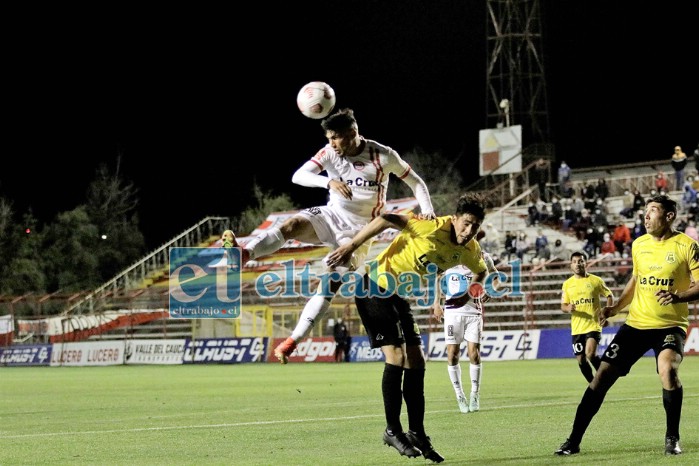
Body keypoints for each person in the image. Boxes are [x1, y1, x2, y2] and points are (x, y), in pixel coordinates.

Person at [230, 108, 436, 363]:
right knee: (291, 224)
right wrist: (328, 183)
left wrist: (427, 211)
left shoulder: (382, 155)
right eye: (329, 138)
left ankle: (292, 341)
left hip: (360, 230)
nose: (331, 144)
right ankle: (245, 253)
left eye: (335, 138)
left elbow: (417, 182)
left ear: (352, 133)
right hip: (331, 215)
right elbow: (299, 176)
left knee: (331, 281)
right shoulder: (329, 153)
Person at [325, 193, 492, 463]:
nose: (469, 230)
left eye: (475, 226)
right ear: (455, 219)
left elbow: (481, 270)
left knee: (417, 361)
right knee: (397, 357)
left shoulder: (470, 249)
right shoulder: (429, 226)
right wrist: (351, 247)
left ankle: (417, 432)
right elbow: (385, 218)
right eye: (466, 223)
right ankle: (392, 430)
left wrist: (470, 291)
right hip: (373, 287)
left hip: (399, 296)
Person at [555, 194, 699, 456]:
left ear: (669, 216)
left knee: (668, 370)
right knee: (601, 378)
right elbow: (636, 280)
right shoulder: (639, 245)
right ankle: (573, 441)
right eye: (645, 210)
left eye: (653, 210)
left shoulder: (686, 246)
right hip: (636, 324)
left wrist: (678, 296)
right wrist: (616, 307)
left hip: (669, 325)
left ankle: (672, 438)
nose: (645, 215)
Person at [433, 250, 499, 414]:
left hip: (474, 312)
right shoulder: (449, 254)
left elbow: (496, 277)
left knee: (473, 354)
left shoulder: (483, 256)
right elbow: (437, 278)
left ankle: (474, 394)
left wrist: (490, 291)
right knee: (452, 354)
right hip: (452, 312)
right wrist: (436, 304)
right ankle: (459, 395)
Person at [560, 251, 614, 383]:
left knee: (590, 354)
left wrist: (606, 312)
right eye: (574, 262)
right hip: (577, 328)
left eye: (580, 261)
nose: (578, 264)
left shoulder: (595, 280)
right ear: (571, 265)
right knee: (581, 360)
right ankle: (592, 384)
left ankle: (604, 377)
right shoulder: (567, 284)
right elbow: (563, 305)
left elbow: (609, 295)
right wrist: (568, 308)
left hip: (593, 325)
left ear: (586, 263)